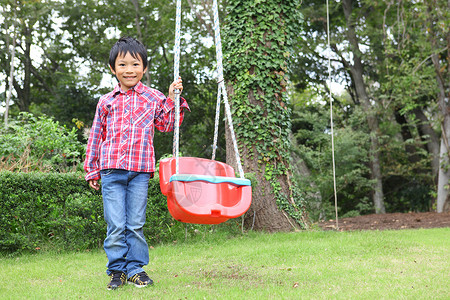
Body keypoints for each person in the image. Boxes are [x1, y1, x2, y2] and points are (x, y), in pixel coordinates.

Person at [84, 36, 189, 290]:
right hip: (110, 171)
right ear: (113, 69)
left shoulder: (154, 98)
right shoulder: (106, 101)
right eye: (122, 65)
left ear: (144, 68)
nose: (128, 70)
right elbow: (97, 135)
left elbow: (167, 125)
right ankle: (117, 271)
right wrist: (92, 169)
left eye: (134, 64)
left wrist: (174, 99)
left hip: (140, 171)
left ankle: (135, 269)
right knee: (116, 223)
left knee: (135, 224)